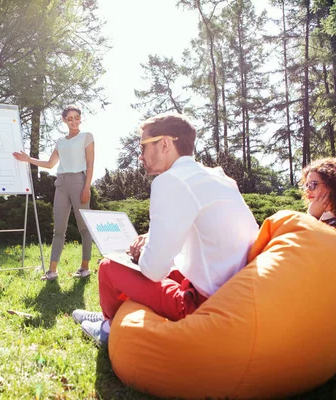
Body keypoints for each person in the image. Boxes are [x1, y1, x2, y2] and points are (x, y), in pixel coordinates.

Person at [72, 112, 259, 345]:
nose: (140, 156)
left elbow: (153, 271)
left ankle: (109, 328)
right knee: (164, 268)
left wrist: (142, 252)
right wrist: (151, 238)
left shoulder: (170, 181)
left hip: (202, 305)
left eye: (142, 147)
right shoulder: (219, 178)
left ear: (164, 143)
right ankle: (109, 318)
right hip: (237, 293)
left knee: (110, 267)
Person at [13, 105, 94, 281]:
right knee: (59, 229)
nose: (74, 121)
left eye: (76, 117)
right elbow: (50, 164)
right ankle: (52, 271)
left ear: (80, 118)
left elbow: (90, 164)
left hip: (79, 181)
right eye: (70, 118)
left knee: (83, 228)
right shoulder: (61, 141)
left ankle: (85, 267)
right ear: (64, 120)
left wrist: (87, 186)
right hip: (61, 183)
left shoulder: (86, 137)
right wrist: (28, 159)